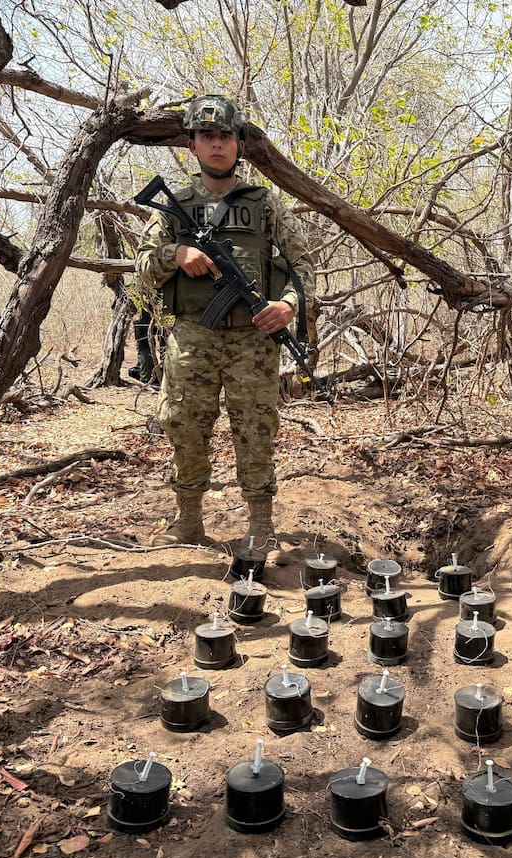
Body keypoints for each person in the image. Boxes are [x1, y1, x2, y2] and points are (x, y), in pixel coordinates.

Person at [136, 94, 313, 548]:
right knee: (185, 426)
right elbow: (139, 269)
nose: (217, 145)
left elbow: (303, 265)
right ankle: (188, 520)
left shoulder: (264, 204)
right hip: (192, 335)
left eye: (226, 137)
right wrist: (177, 253)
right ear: (192, 145)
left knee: (256, 430)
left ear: (239, 144)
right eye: (207, 137)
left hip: (254, 340)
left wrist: (289, 305)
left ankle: (260, 526)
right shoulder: (173, 205)